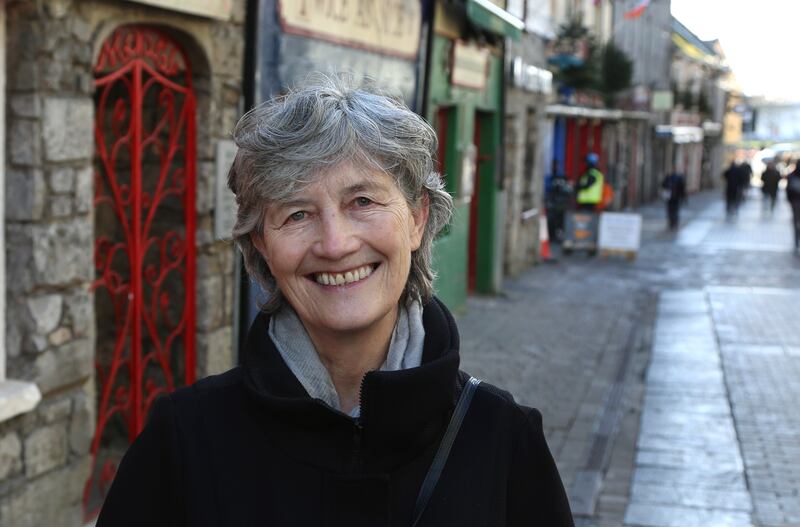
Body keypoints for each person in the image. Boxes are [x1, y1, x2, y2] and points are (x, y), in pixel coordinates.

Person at [96, 77, 574, 526]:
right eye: (297, 213)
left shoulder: (503, 439)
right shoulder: (183, 441)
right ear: (261, 244)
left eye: (362, 202)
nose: (335, 244)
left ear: (416, 219)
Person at [787, 161, 800, 254]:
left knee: (796, 223)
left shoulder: (792, 175)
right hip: (795, 201)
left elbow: (788, 190)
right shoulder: (792, 175)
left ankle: (796, 242)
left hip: (795, 202)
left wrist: (790, 201)